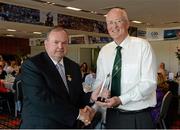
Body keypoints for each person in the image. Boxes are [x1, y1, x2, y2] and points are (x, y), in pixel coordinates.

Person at [19, 26, 100, 128]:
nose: (60, 46)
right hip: (42, 126)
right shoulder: (32, 65)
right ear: (46, 44)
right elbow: (42, 100)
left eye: (64, 42)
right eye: (56, 42)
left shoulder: (74, 67)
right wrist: (79, 114)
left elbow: (76, 97)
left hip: (68, 125)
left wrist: (92, 97)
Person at [94, 8, 157, 129]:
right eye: (110, 23)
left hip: (137, 117)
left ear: (127, 24)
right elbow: (100, 81)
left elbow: (149, 83)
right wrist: (98, 95)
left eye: (118, 21)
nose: (114, 26)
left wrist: (121, 100)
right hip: (112, 116)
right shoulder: (104, 51)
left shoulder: (142, 46)